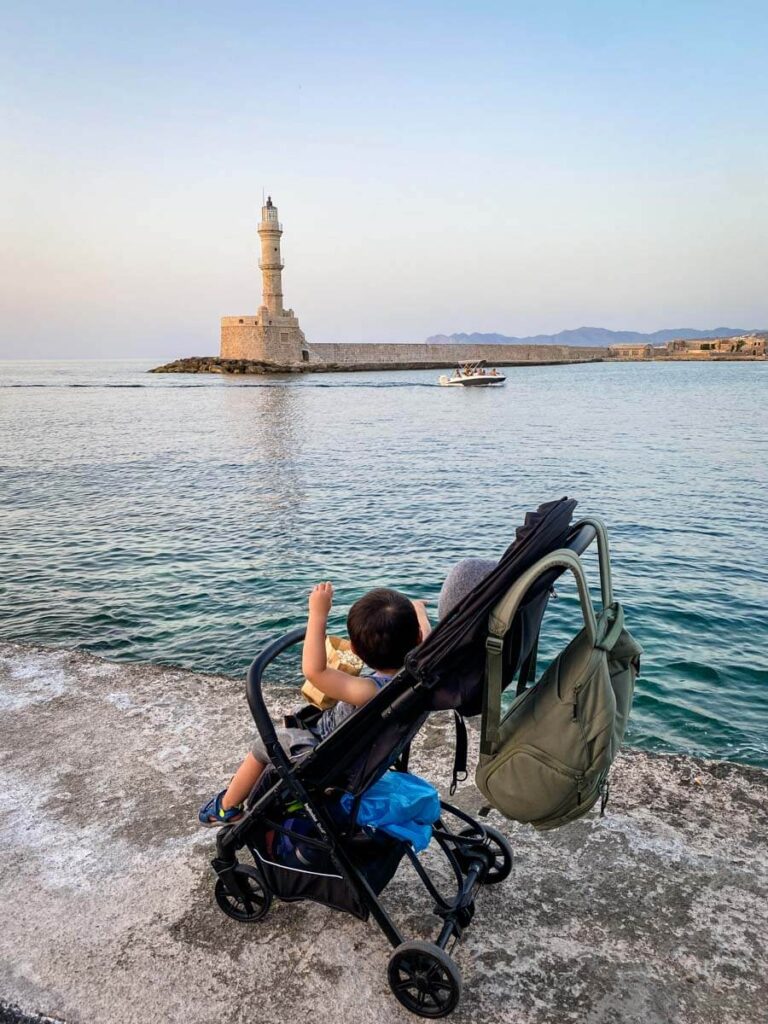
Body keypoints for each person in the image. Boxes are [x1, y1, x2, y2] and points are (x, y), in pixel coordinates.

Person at [199, 582, 431, 826]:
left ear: (353, 649)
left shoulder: (368, 691)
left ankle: (227, 807)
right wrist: (419, 613)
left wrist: (318, 614)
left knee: (263, 748)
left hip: (326, 752)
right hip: (362, 752)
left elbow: (315, 670)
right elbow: (427, 639)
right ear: (416, 638)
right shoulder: (417, 674)